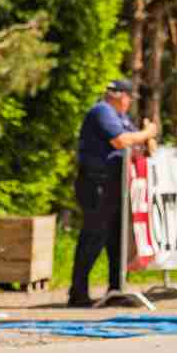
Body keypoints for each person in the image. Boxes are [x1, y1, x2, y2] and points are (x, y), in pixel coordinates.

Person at [68, 79, 159, 308]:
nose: (129, 103)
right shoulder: (103, 111)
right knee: (94, 236)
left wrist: (147, 137)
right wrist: (146, 132)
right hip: (96, 181)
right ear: (120, 96)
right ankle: (78, 293)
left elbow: (144, 146)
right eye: (128, 98)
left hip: (116, 183)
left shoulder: (121, 118)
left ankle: (116, 289)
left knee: (118, 239)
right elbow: (121, 141)